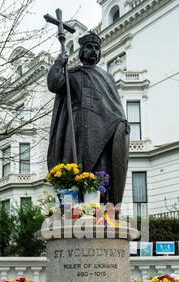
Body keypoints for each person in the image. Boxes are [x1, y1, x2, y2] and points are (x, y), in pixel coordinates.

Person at [47, 31, 130, 205]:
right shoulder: (73, 74)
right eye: (89, 47)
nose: (94, 51)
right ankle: (72, 209)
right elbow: (54, 84)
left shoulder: (107, 78)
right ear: (81, 52)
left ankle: (99, 208)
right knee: (75, 172)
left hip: (104, 135)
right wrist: (58, 62)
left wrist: (122, 124)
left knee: (100, 173)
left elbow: (116, 107)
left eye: (97, 48)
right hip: (77, 133)